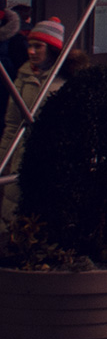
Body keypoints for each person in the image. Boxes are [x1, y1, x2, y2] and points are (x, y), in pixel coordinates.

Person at [0, 18, 65, 227]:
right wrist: (3, 158)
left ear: (52, 49)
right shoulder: (23, 75)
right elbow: (12, 123)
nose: (31, 51)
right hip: (21, 154)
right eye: (30, 45)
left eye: (38, 46)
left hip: (51, 158)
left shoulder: (64, 81)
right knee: (13, 213)